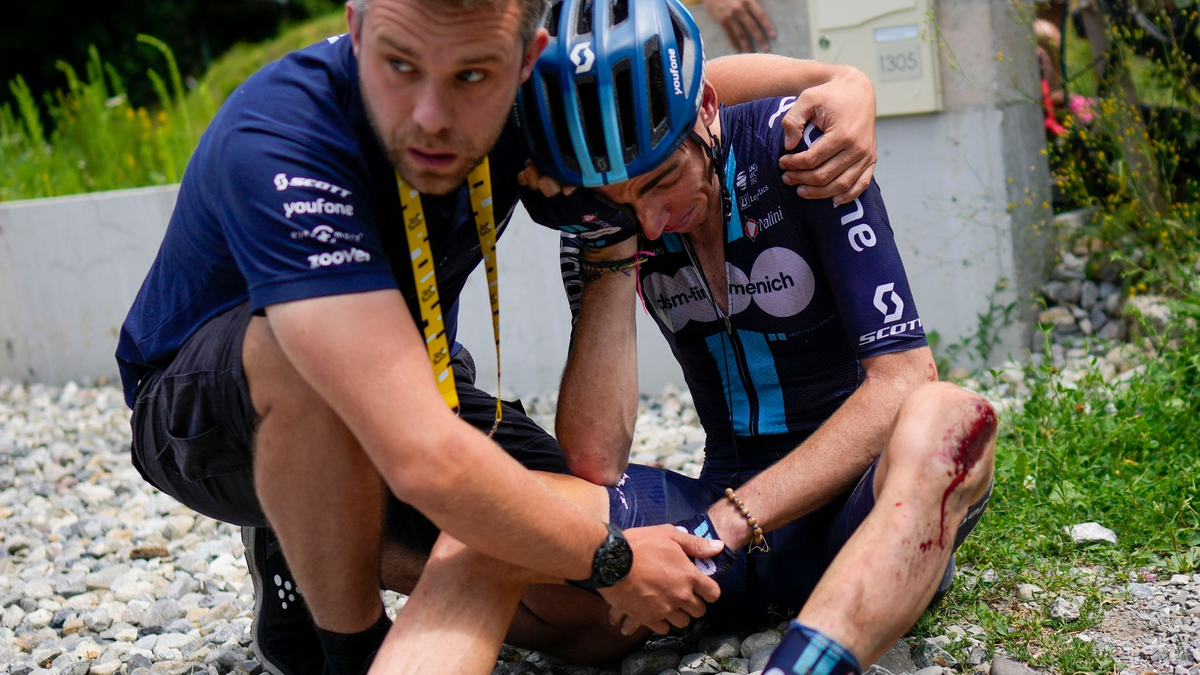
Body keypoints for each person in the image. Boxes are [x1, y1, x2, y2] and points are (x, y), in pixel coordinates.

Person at [114, 0, 884, 672]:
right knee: (310, 369)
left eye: (472, 78)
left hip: (419, 383)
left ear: (527, 64)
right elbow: (419, 456)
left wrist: (838, 81)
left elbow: (669, 88)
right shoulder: (281, 136)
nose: (430, 115)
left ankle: (319, 542)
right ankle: (350, 642)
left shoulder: (529, 97)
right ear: (355, 30)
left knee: (595, 616)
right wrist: (611, 556)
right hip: (215, 411)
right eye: (398, 64)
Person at [512, 0, 998, 670]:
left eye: (661, 182)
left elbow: (905, 378)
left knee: (951, 417)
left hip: (855, 504)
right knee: (520, 510)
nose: (654, 223)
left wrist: (734, 521)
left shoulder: (796, 147)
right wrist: (611, 252)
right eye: (625, 205)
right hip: (719, 529)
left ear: (706, 109)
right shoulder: (606, 235)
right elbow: (594, 461)